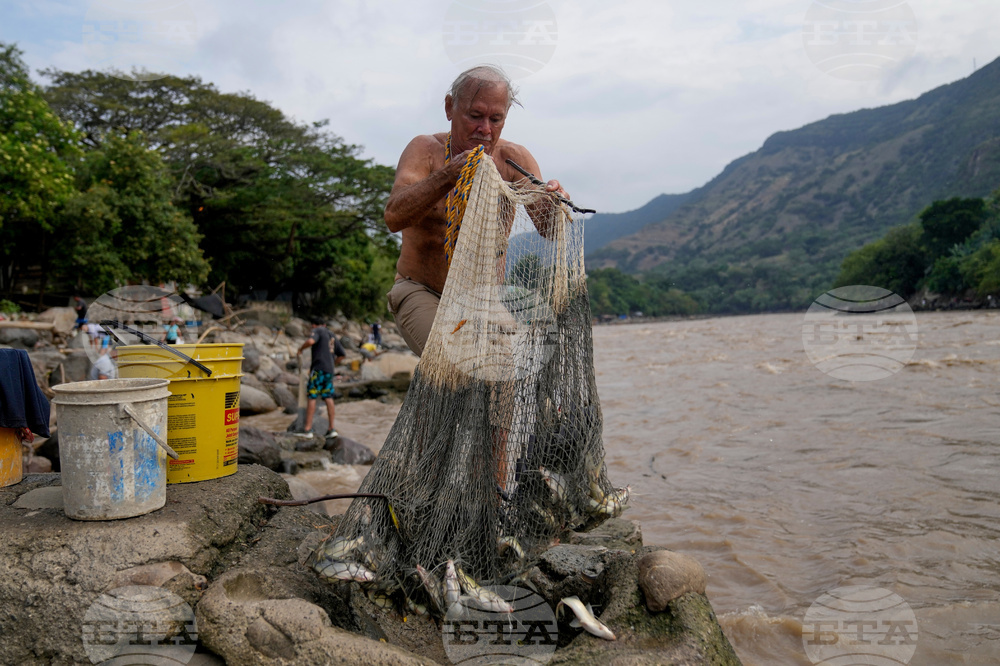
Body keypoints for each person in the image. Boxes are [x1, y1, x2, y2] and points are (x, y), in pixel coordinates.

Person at [383, 64, 568, 356]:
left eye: (496, 119)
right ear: (449, 107)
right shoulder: (425, 150)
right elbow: (394, 216)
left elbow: (550, 230)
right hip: (422, 290)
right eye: (475, 116)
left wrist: (556, 203)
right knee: (456, 365)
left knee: (499, 388)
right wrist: (448, 174)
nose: (485, 129)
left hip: (485, 302)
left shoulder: (512, 160)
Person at [296, 317, 346, 439]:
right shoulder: (331, 334)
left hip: (318, 370)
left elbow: (311, 342)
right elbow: (342, 355)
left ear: (314, 325)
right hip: (329, 371)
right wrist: (333, 363)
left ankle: (307, 429)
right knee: (328, 397)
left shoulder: (318, 330)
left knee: (312, 396)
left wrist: (300, 349)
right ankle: (331, 429)